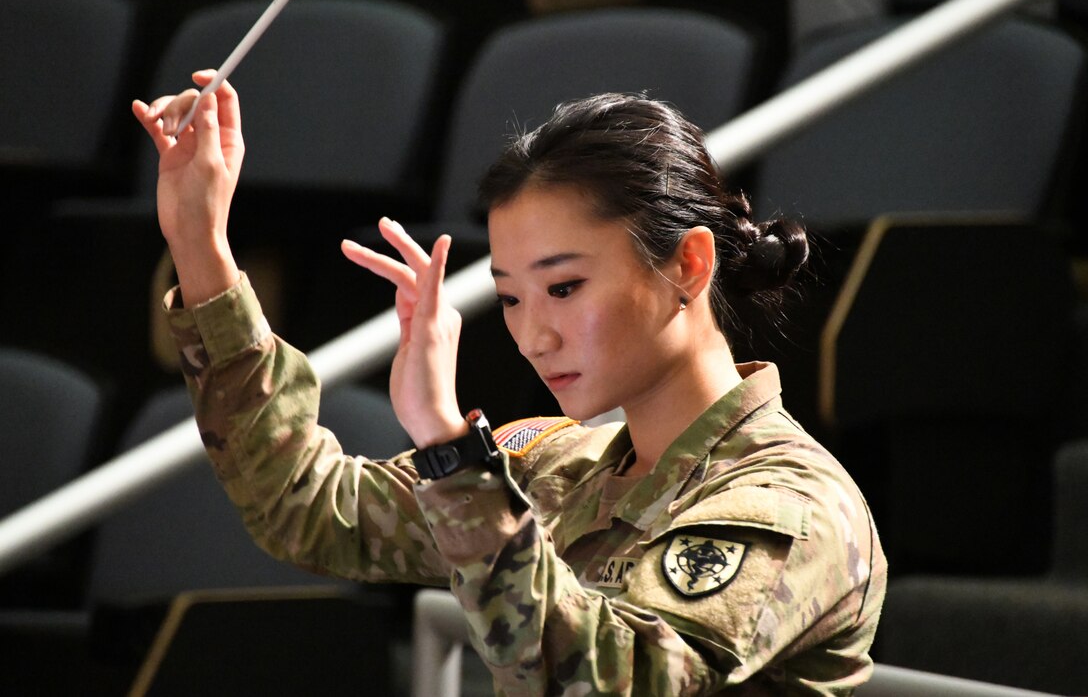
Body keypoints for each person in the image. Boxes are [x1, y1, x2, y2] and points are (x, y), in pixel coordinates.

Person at [133, 72, 886, 695]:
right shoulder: (560, 463)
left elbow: (616, 684)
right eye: (511, 297)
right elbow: (304, 506)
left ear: (688, 265)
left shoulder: (788, 503)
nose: (533, 336)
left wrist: (450, 452)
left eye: (563, 288)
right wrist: (201, 246)